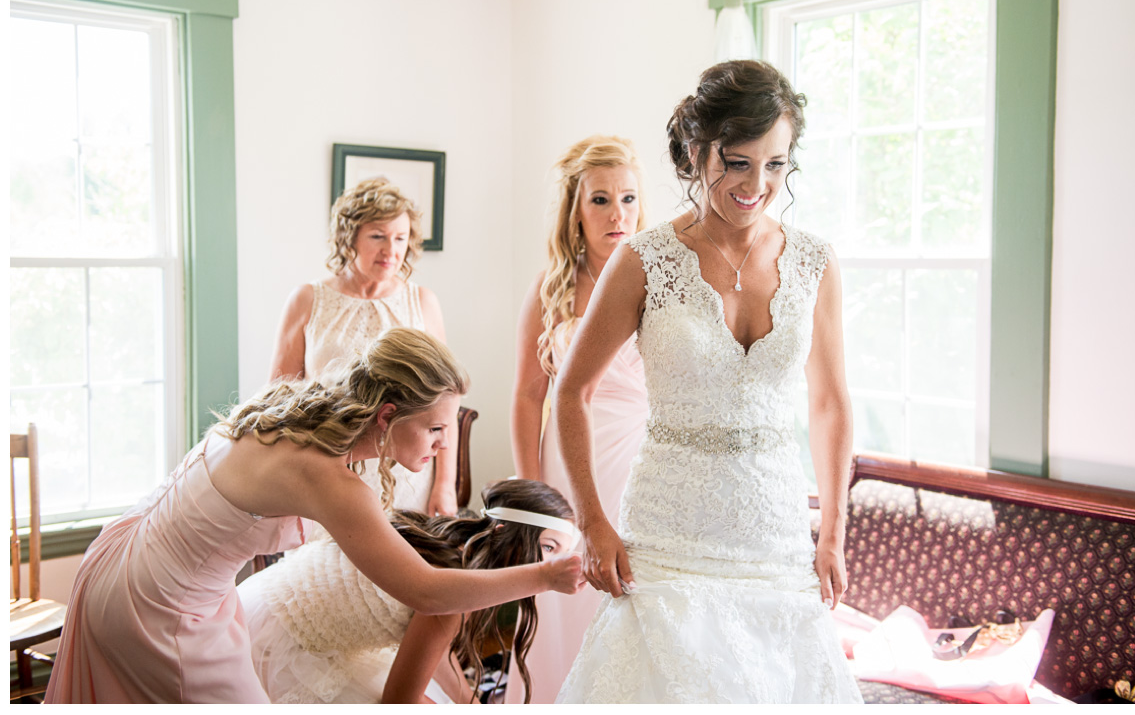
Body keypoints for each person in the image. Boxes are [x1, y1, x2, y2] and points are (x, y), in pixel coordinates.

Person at [44, 328, 584, 704]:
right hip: (159, 600)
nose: (445, 446)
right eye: (436, 429)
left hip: (129, 556)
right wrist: (543, 575)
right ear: (389, 414)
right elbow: (426, 592)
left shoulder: (297, 409)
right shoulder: (329, 477)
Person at [553, 61, 863, 703]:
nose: (757, 184)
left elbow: (830, 402)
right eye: (738, 162)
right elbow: (570, 392)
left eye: (776, 164)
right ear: (697, 152)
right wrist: (593, 522)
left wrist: (831, 529)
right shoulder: (643, 261)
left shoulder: (814, 262)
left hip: (776, 534)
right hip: (670, 534)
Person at [508, 135, 649, 703]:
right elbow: (524, 397)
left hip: (643, 458)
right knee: (568, 591)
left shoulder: (658, 280)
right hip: (569, 463)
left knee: (633, 592)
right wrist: (531, 496)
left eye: (629, 198)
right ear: (575, 208)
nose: (618, 214)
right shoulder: (551, 289)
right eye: (600, 200)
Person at [238, 479, 578, 704]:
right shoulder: (449, 593)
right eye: (548, 548)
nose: (552, 563)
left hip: (266, 597)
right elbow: (397, 703)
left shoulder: (449, 544)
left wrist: (468, 702)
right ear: (504, 534)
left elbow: (434, 647)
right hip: (280, 645)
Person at [270, 176, 454, 517]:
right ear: (348, 237)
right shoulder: (308, 300)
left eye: (400, 238)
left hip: (407, 474)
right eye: (377, 236)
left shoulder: (423, 302)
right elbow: (279, 397)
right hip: (325, 467)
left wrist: (445, 485)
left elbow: (445, 405)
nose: (391, 250)